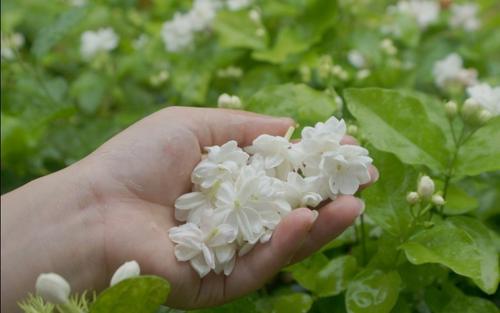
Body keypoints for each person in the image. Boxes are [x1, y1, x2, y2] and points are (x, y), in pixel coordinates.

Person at [1, 107, 378, 312]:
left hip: (229, 222)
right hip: (212, 228)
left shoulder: (261, 181)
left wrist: (91, 214)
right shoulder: (214, 186)